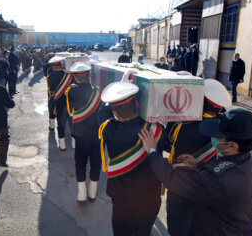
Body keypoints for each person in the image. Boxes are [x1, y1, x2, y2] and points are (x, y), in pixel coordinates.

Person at [139, 107, 252, 236]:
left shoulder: (217, 180)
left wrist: (152, 151)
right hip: (239, 226)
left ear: (232, 146)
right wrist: (198, 166)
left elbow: (173, 179)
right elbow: (220, 176)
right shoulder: (247, 159)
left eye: (218, 136)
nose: (214, 138)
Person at [98, 76, 169, 236]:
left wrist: (118, 86)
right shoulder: (157, 130)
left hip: (122, 199)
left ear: (115, 113)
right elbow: (171, 140)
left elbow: (102, 111)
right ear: (137, 104)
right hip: (150, 197)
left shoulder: (109, 130)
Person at [164, 79, 232, 235]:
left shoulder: (181, 124)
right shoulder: (227, 129)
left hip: (181, 188)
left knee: (178, 227)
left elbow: (168, 145)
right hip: (210, 189)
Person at [65, 62, 102, 205]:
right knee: (96, 163)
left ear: (75, 77)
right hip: (97, 134)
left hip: (81, 134)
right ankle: (92, 193)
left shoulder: (71, 91)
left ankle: (82, 194)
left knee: (80, 163)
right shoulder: (98, 91)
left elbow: (70, 112)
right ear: (88, 75)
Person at [46, 56, 73, 150]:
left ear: (53, 67)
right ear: (62, 65)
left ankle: (62, 145)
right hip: (70, 103)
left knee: (61, 125)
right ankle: (74, 144)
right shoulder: (70, 76)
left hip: (59, 104)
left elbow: (51, 92)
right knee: (72, 123)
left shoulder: (50, 77)